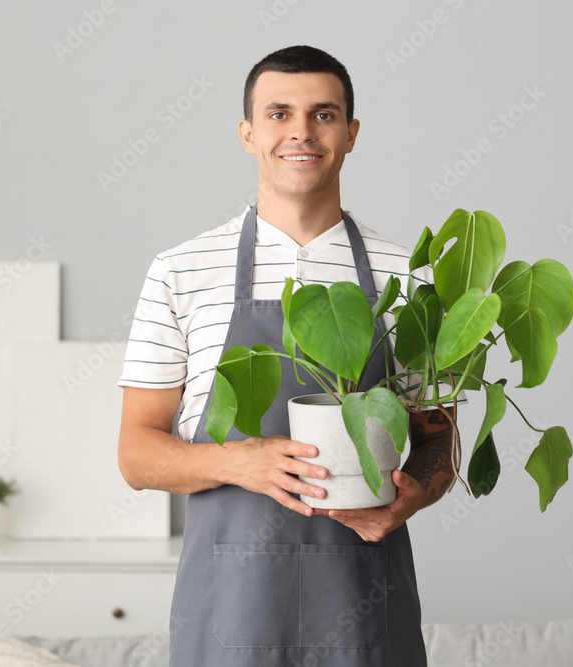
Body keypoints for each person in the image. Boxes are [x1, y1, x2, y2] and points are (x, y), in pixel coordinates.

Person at [117, 45, 455, 667]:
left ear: (351, 134)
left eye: (324, 114)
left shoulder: (407, 275)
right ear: (248, 133)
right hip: (229, 614)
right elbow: (136, 455)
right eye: (278, 113)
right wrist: (241, 463)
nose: (301, 131)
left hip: (365, 616)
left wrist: (413, 497)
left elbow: (440, 440)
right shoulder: (181, 271)